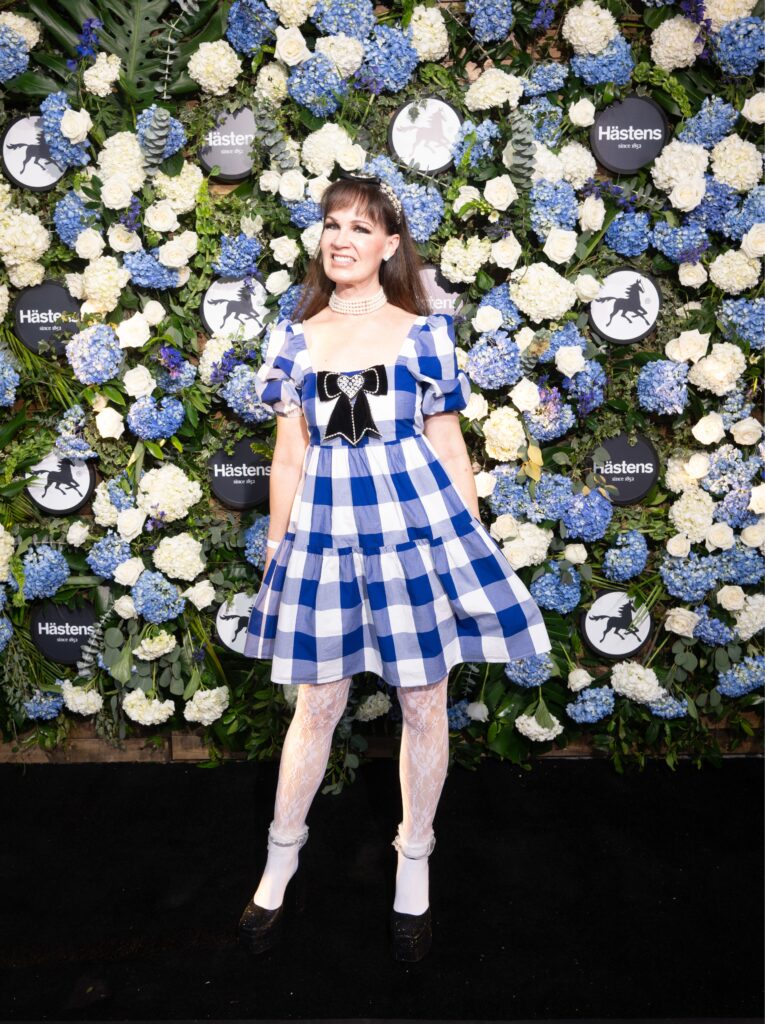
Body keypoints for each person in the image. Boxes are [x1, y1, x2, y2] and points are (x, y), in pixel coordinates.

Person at [238, 170, 552, 961]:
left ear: (390, 244)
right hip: (325, 535)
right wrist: (276, 549)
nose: (342, 238)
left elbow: (447, 444)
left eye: (360, 226)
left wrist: (469, 543)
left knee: (423, 703)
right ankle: (280, 860)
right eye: (332, 224)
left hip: (416, 532)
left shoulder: (424, 331)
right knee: (316, 704)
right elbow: (287, 457)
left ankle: (414, 860)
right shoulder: (294, 339)